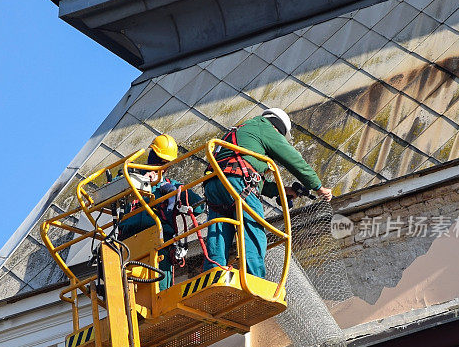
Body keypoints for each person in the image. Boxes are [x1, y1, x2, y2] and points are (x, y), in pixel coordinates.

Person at [203, 108, 332, 278]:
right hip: (238, 183)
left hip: (214, 184)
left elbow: (246, 172)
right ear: (279, 129)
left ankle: (212, 274)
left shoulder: (243, 130)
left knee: (218, 230)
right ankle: (255, 278)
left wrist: (281, 190)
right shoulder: (266, 128)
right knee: (253, 229)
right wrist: (318, 187)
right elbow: (294, 160)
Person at [118, 134, 203, 290]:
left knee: (159, 291)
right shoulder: (129, 177)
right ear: (151, 154)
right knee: (128, 295)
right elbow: (110, 194)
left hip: (159, 246)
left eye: (165, 162)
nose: (160, 164)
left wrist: (175, 191)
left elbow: (199, 207)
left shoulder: (169, 185)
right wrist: (140, 182)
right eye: (157, 158)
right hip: (128, 245)